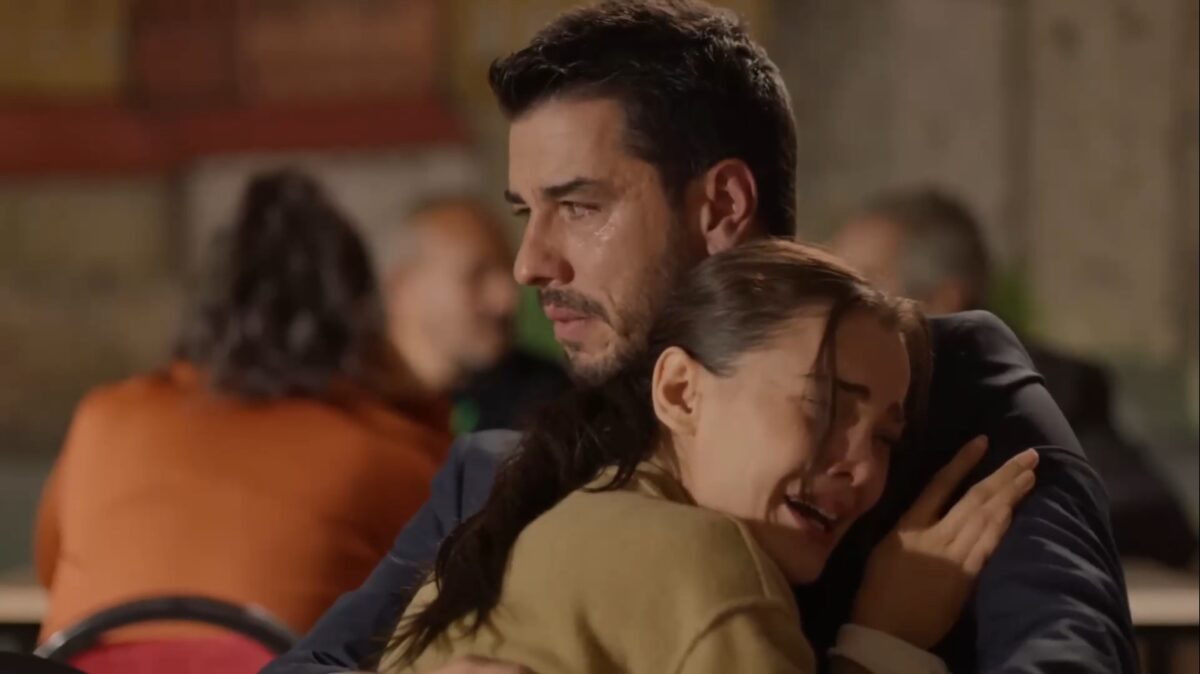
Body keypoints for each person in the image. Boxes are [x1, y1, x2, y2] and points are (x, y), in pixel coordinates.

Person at [264, 3, 1136, 673]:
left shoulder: (954, 386)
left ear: (721, 205)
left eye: (579, 207)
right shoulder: (504, 473)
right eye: (528, 213)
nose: (531, 263)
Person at [381, 240, 1041, 674]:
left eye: (885, 438)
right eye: (824, 406)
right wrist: (884, 643)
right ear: (680, 392)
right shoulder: (704, 559)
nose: (864, 468)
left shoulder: (524, 527)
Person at [34, 170, 452, 642]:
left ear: (202, 309)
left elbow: (50, 570)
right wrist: (407, 397)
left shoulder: (103, 420)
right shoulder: (383, 453)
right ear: (361, 321)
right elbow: (464, 586)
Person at [830, 186, 1198, 569]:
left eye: (864, 287)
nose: (835, 306)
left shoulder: (1042, 391)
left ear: (942, 301)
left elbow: (1150, 521)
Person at [379, 197, 568, 434]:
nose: (506, 300)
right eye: (476, 276)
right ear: (401, 286)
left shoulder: (551, 401)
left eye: (508, 273)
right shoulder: (351, 407)